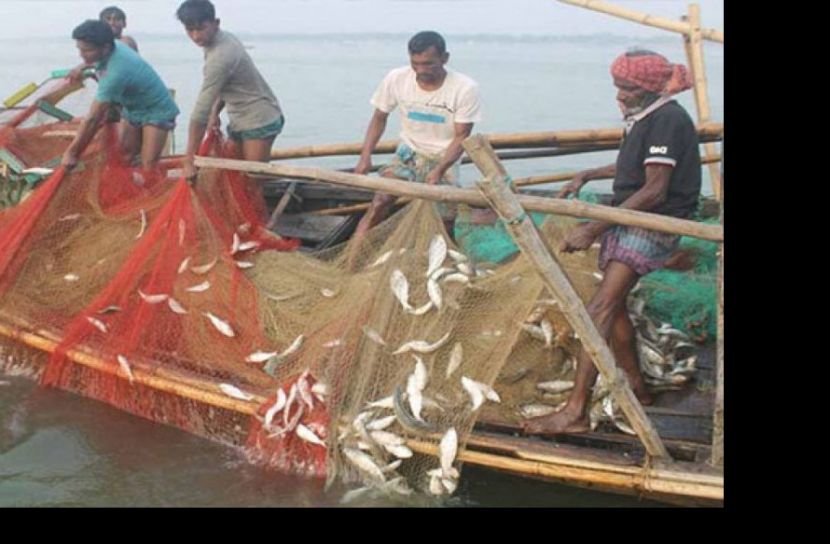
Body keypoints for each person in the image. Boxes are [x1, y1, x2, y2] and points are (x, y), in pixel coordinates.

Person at [523, 49, 701, 436]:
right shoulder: (645, 117)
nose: (619, 95)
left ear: (650, 88)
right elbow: (632, 166)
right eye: (617, 86)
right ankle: (638, 387)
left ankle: (576, 412)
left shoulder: (668, 119)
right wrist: (588, 172)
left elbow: (655, 189)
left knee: (599, 307)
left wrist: (593, 228)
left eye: (627, 88)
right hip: (629, 215)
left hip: (650, 222)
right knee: (614, 304)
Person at [351, 30, 482, 240]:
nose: (421, 70)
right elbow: (379, 118)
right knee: (380, 201)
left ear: (445, 58)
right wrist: (365, 157)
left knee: (445, 219)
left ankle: (446, 259)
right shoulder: (397, 78)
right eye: (415, 63)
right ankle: (350, 261)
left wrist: (439, 170)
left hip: (444, 157)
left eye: (429, 64)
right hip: (408, 153)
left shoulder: (465, 88)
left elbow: (462, 136)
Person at [177, 0, 285, 190]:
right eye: (190, 30)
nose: (196, 36)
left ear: (215, 23)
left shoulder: (221, 55)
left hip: (260, 120)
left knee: (252, 181)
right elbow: (222, 86)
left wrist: (189, 161)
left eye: (201, 28)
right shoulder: (220, 40)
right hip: (239, 119)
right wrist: (215, 113)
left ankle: (259, 218)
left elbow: (199, 113)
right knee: (232, 178)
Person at [61, 20, 179, 171]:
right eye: (80, 49)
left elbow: (93, 118)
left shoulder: (115, 73)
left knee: (148, 164)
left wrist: (72, 153)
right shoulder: (115, 45)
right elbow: (119, 47)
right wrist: (81, 66)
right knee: (126, 157)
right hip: (133, 109)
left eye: (87, 51)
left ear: (105, 47)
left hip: (158, 111)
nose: (81, 55)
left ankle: (158, 187)